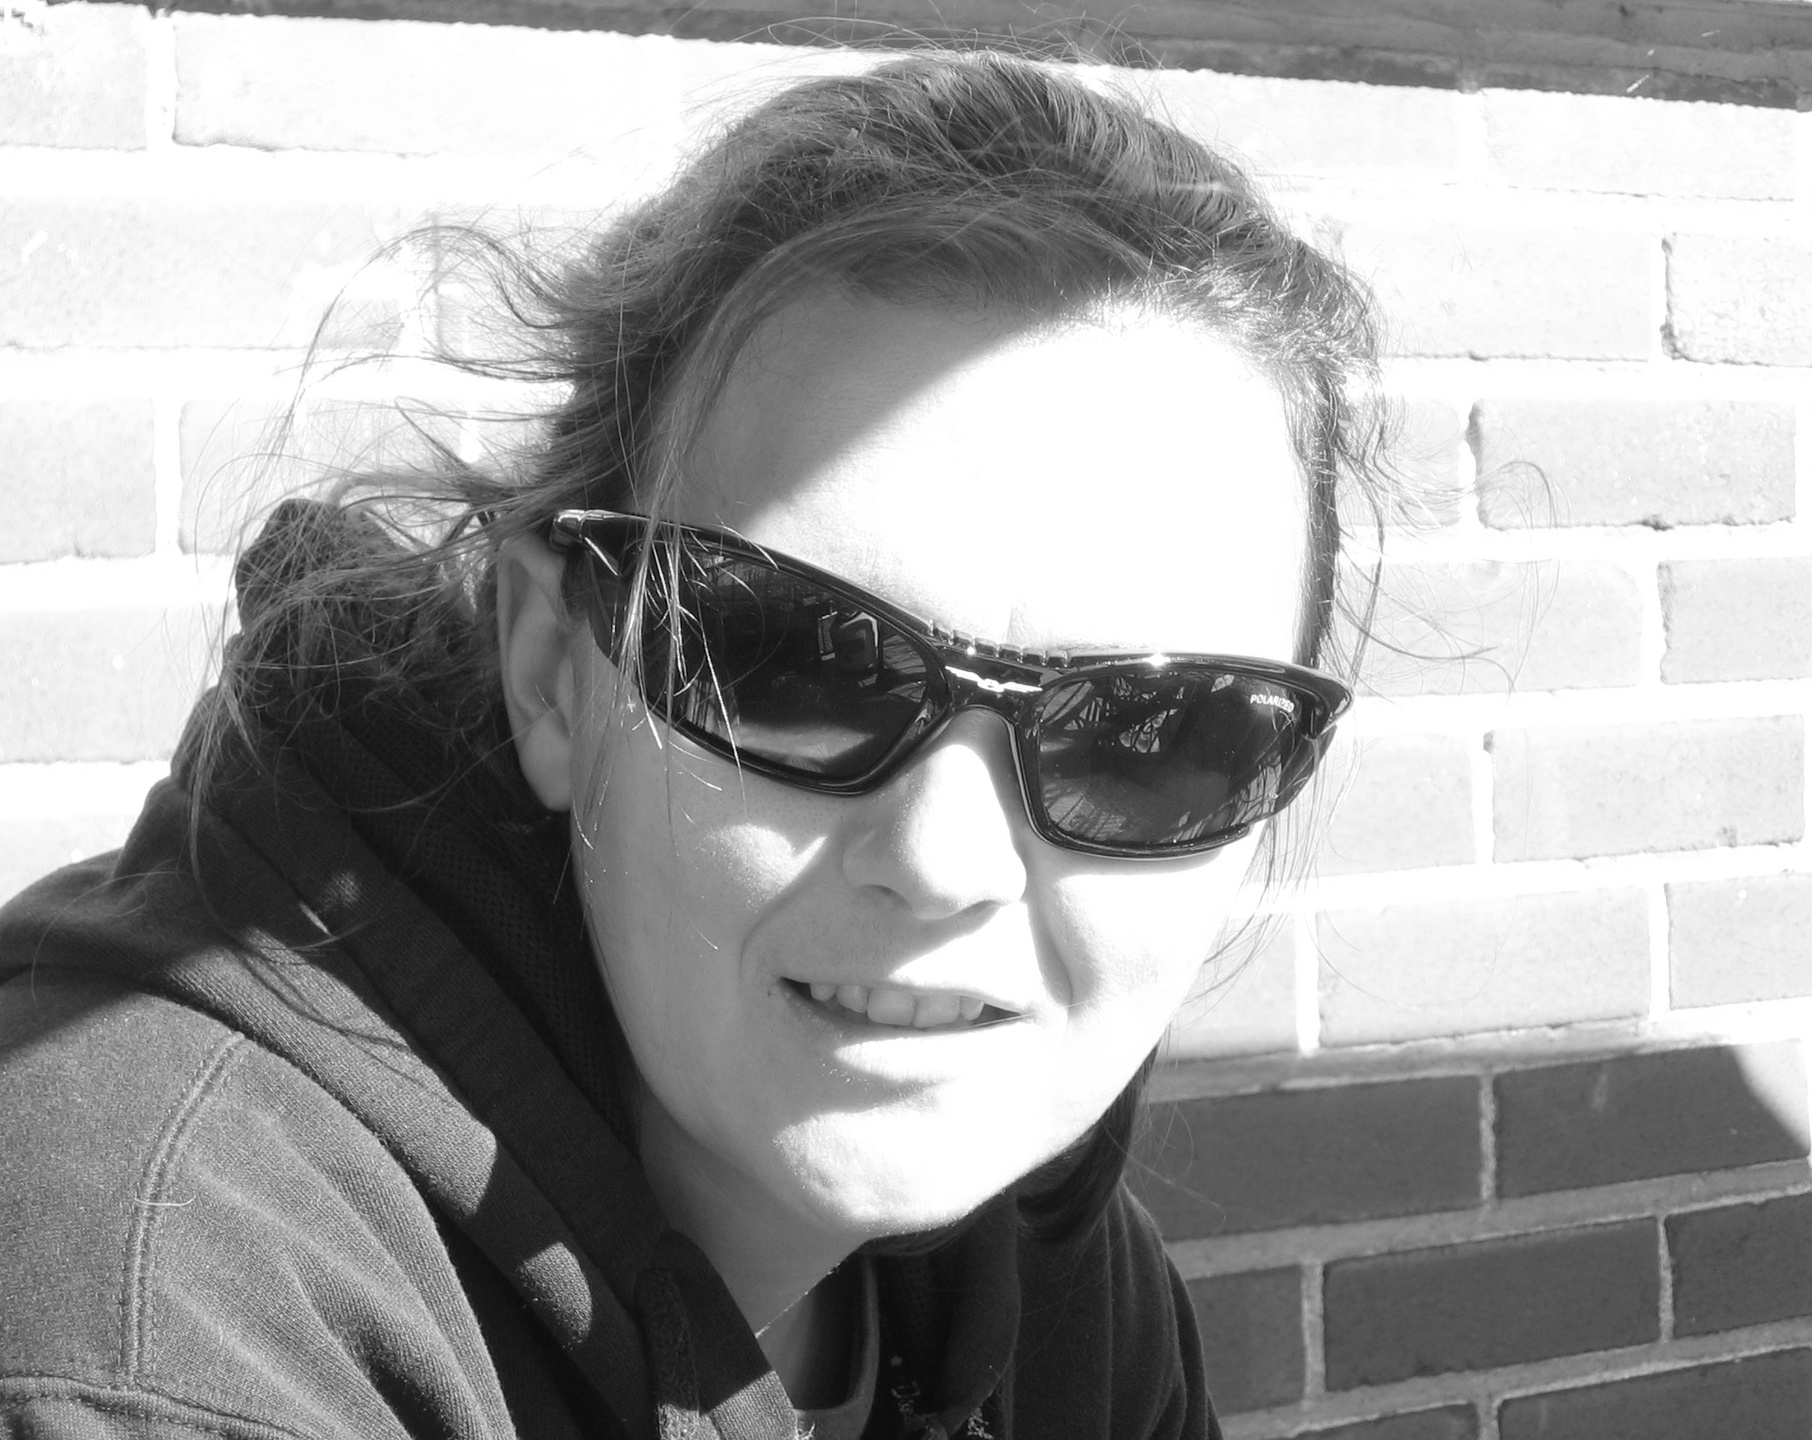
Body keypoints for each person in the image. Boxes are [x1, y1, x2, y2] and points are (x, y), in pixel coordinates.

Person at [0, 48, 1391, 1439]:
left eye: (1153, 735)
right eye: (794, 660)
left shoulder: (1047, 1277)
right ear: (554, 672)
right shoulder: (174, 1309)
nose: (943, 863)